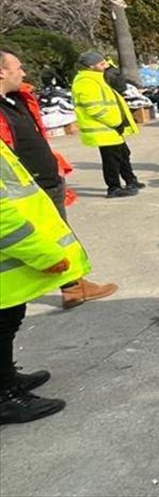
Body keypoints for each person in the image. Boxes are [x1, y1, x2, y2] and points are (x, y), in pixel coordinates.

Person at [0, 49, 117, 310]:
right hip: (28, 188)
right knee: (45, 238)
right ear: (1, 72)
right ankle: (72, 286)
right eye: (18, 67)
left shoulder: (15, 100)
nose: (23, 72)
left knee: (60, 233)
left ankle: (73, 285)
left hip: (46, 178)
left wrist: (53, 162)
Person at [0, 134, 93, 424]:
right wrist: (42, 254)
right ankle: (4, 397)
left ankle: (6, 377)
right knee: (2, 323)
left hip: (12, 257)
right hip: (14, 249)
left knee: (10, 317)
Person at [72, 52, 142, 198]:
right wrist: (115, 121)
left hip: (110, 128)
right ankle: (113, 187)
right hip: (104, 128)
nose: (106, 66)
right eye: (102, 64)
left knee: (123, 154)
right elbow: (93, 107)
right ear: (91, 66)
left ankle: (130, 180)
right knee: (111, 159)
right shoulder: (86, 81)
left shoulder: (97, 78)